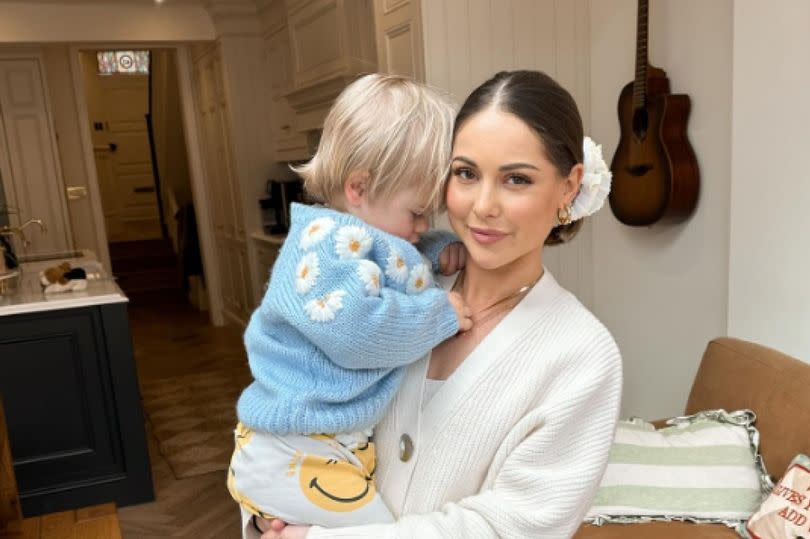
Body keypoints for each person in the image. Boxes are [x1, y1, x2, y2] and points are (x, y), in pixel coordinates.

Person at [261, 70, 622, 539]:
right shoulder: (383, 284)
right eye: (466, 174)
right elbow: (294, 393)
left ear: (570, 187)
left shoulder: (582, 355)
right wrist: (271, 506)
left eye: (516, 179)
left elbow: (509, 527)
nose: (482, 206)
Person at [227, 73, 475, 537]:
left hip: (320, 444)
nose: (422, 225)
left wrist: (438, 248)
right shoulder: (324, 245)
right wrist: (438, 315)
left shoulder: (364, 235)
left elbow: (395, 262)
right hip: (298, 447)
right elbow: (357, 332)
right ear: (359, 188)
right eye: (418, 213)